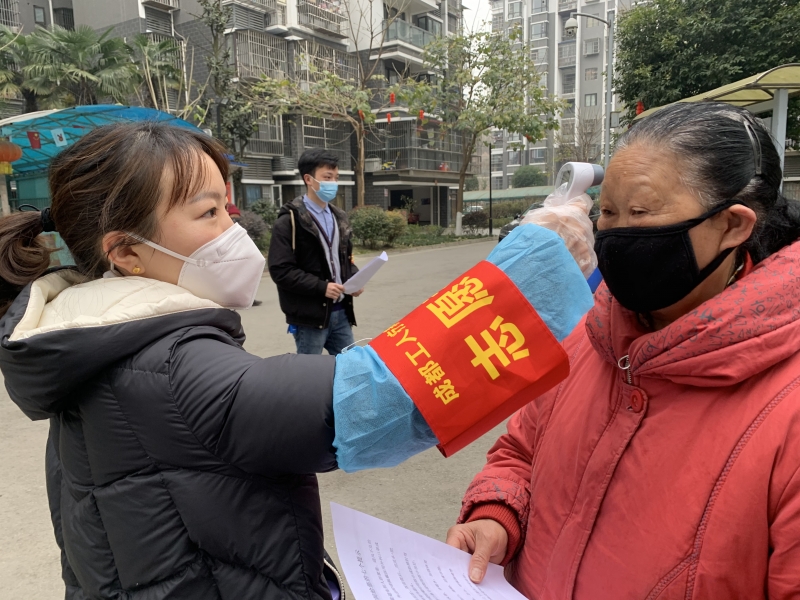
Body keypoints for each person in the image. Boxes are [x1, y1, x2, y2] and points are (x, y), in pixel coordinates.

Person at [0, 121, 593, 599]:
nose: (232, 229)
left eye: (227, 207)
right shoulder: (172, 366)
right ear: (126, 251)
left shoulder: (88, 335)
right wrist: (538, 261)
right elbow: (378, 396)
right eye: (208, 213)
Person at [446, 102, 800, 598]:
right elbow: (520, 453)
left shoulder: (787, 408)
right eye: (608, 212)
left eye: (640, 213)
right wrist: (496, 515)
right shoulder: (588, 338)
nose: (615, 233)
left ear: (732, 225)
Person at [268, 149, 361, 355]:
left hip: (341, 312)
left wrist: (354, 278)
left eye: (336, 178)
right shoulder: (290, 221)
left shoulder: (339, 217)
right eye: (327, 177)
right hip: (310, 318)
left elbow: (343, 259)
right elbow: (280, 270)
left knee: (352, 367)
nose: (333, 183)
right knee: (309, 372)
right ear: (308, 179)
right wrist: (321, 287)